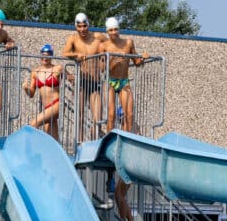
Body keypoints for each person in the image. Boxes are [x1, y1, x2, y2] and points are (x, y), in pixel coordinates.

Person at [98, 17, 147, 134]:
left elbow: (136, 63)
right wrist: (112, 61)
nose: (114, 32)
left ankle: (126, 139)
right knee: (111, 114)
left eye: (116, 29)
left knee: (129, 114)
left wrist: (143, 58)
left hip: (124, 81)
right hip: (110, 81)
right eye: (111, 30)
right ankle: (110, 140)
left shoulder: (128, 43)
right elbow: (102, 68)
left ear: (119, 29)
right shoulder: (103, 46)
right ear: (107, 31)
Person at [62, 12, 106, 141]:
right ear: (76, 26)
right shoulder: (73, 38)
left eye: (84, 26)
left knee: (97, 118)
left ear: (89, 24)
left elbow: (111, 45)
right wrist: (76, 55)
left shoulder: (98, 37)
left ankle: (93, 143)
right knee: (80, 115)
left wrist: (105, 59)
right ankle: (80, 144)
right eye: (79, 26)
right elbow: (65, 52)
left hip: (95, 82)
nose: (82, 29)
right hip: (82, 81)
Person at [23, 44, 71, 140]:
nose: (45, 58)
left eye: (48, 55)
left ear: (51, 56)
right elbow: (31, 94)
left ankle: (32, 149)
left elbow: (72, 78)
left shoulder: (58, 69)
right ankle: (55, 153)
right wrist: (26, 88)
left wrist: (76, 86)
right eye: (43, 55)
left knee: (33, 123)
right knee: (50, 137)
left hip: (57, 104)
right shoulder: (35, 72)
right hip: (47, 107)